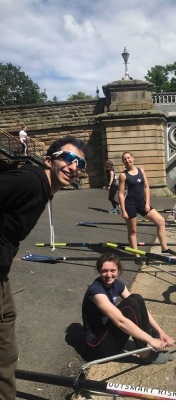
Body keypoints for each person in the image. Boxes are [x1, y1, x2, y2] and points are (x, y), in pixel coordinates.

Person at [0, 135, 86, 400]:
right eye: (68, 158)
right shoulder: (31, 181)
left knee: (7, 325)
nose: (74, 166)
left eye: (80, 162)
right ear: (49, 160)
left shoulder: (43, 190)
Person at [82, 253, 175, 363]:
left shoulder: (117, 284)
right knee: (130, 304)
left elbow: (140, 307)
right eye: (104, 271)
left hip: (107, 333)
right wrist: (150, 340)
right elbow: (120, 321)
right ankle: (146, 354)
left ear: (118, 270)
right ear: (99, 271)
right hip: (97, 348)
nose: (109, 274)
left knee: (136, 298)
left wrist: (161, 332)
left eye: (113, 270)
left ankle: (154, 339)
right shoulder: (96, 291)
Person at [118, 151, 176, 257]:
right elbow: (121, 194)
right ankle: (136, 255)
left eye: (128, 158)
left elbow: (146, 187)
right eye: (124, 159)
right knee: (132, 231)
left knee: (160, 221)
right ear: (123, 162)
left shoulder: (141, 170)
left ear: (133, 158)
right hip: (130, 205)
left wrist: (147, 203)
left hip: (142, 203)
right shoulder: (123, 175)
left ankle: (164, 248)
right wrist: (123, 210)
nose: (127, 160)